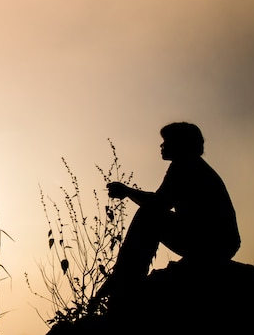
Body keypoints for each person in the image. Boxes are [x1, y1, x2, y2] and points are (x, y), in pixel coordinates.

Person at [95, 122, 241, 302]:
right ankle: (125, 277)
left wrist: (128, 191)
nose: (161, 145)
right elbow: (160, 201)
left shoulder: (186, 167)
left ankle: (124, 278)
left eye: (166, 141)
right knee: (149, 214)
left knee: (148, 215)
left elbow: (158, 204)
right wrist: (129, 192)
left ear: (181, 144)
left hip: (212, 243)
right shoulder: (190, 166)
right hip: (213, 241)